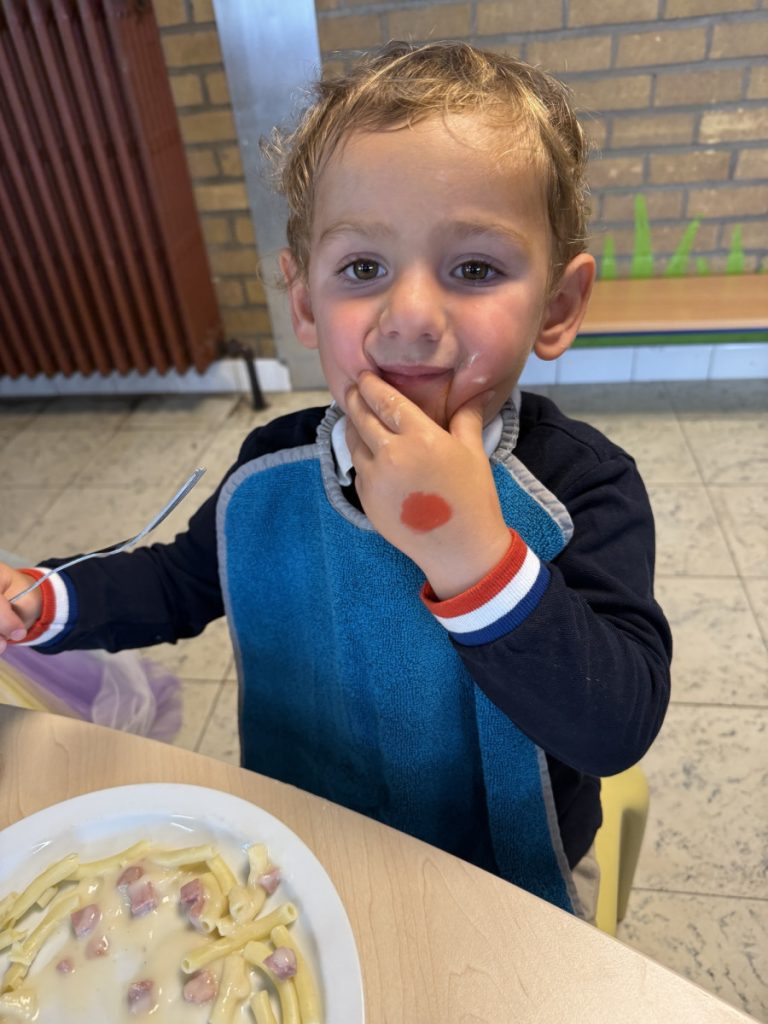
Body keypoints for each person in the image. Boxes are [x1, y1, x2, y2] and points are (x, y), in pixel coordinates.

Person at [0, 41, 671, 921]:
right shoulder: (269, 473)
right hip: (307, 842)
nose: (411, 316)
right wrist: (42, 601)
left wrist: (474, 557)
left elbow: (615, 725)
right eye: (363, 269)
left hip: (502, 874)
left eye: (475, 268)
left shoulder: (582, 489)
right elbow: (178, 581)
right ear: (306, 303)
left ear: (557, 306)